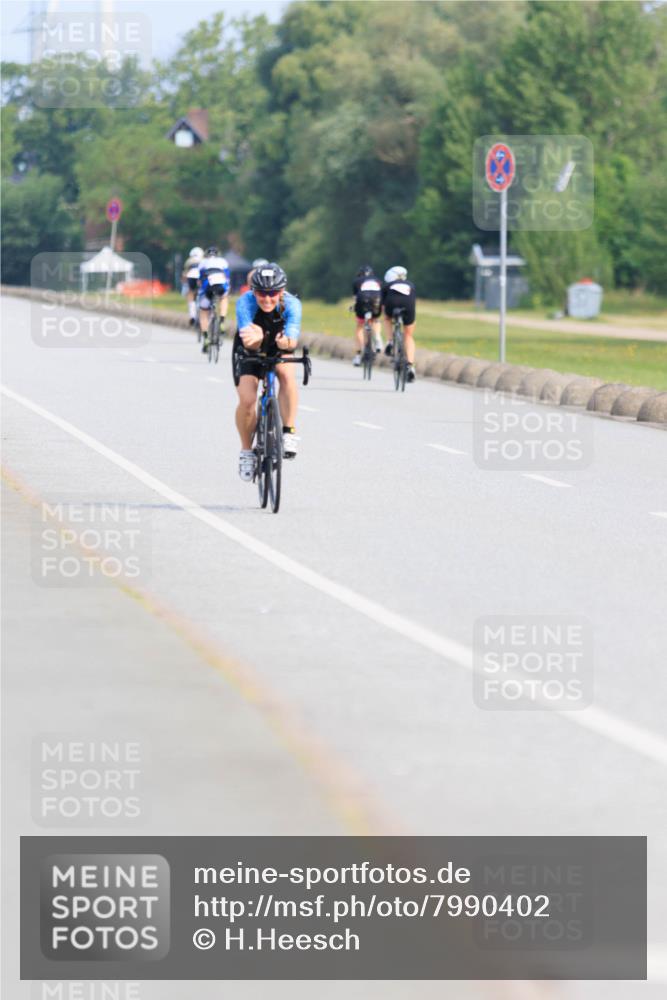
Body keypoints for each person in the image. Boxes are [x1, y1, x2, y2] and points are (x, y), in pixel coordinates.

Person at [234, 263, 302, 482]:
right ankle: (246, 451)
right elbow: (249, 342)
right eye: (262, 293)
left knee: (287, 375)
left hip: (279, 343)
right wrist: (257, 339)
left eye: (273, 293)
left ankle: (288, 431)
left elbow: (292, 340)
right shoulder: (245, 303)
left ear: (282, 291)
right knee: (247, 400)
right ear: (253, 291)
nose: (267, 298)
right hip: (249, 348)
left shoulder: (292, 304)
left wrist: (285, 342)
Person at [382, 265, 417, 382]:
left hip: (391, 304)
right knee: (408, 335)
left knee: (387, 318)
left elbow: (382, 305)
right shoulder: (411, 284)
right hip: (408, 306)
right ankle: (410, 365)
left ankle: (390, 341)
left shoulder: (387, 286)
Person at [197, 247, 231, 352]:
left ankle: (206, 337)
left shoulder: (203, 262)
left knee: (203, 312)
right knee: (224, 298)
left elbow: (200, 281)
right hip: (221, 285)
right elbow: (227, 278)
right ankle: (222, 320)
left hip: (207, 287)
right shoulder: (223, 261)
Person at [351, 265, 383, 366]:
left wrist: (353, 307)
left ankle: (358, 355)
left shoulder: (357, 281)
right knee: (376, 319)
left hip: (362, 300)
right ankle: (377, 337)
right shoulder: (378, 280)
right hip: (376, 299)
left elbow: (356, 299)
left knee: (359, 327)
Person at [182, 246, 204, 326]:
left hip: (191, 276)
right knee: (202, 294)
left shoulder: (189, 261)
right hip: (200, 277)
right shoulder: (203, 260)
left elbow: (185, 274)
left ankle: (192, 315)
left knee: (191, 293)